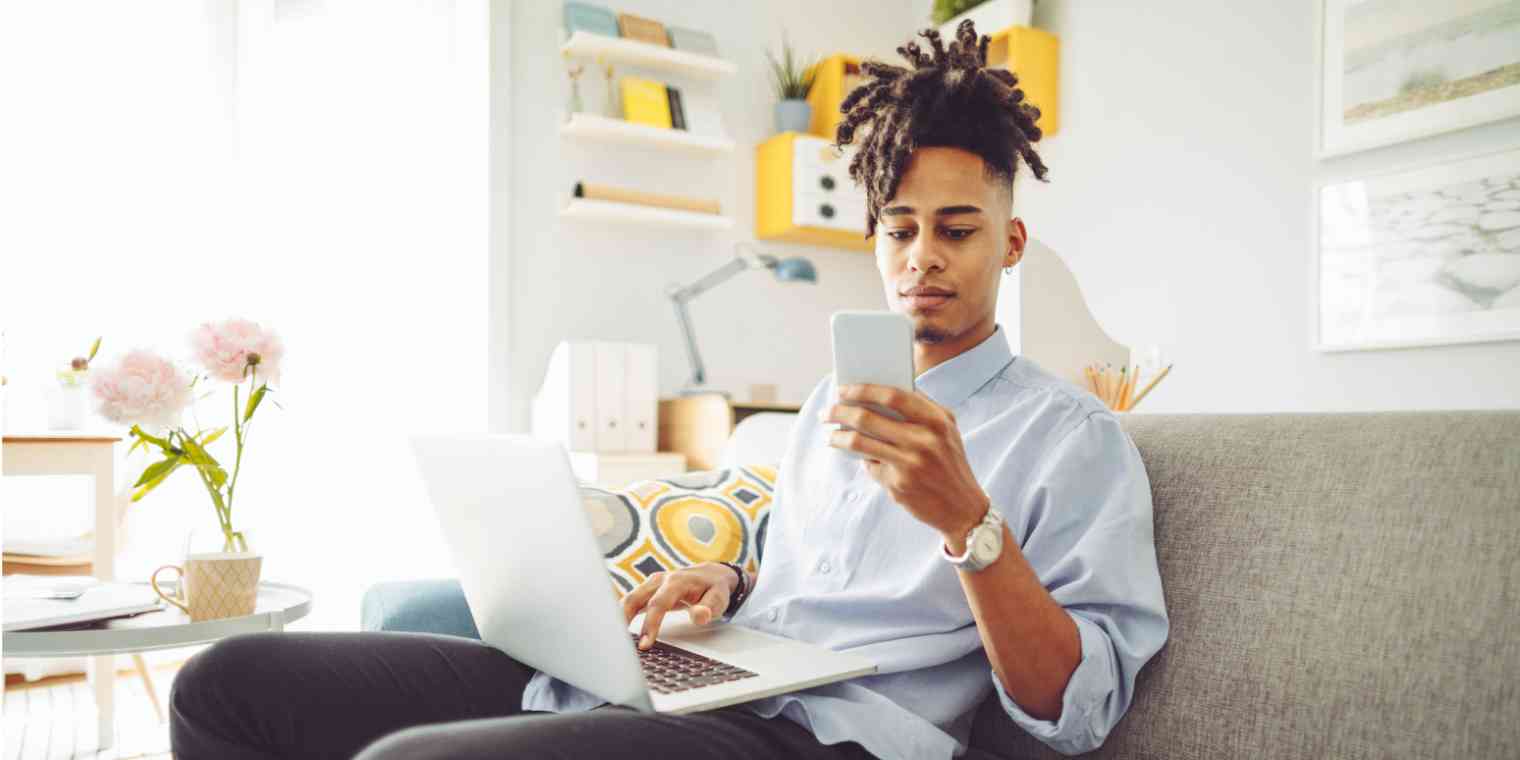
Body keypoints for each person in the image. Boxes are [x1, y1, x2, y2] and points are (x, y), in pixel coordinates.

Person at [169, 20, 1166, 760]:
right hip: (708, 681)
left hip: (827, 740)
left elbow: (1071, 712)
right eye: (898, 227)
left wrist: (968, 525)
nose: (920, 258)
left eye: (956, 229)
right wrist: (725, 584)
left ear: (1011, 241)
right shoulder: (829, 403)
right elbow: (798, 584)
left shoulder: (1072, 439)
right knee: (227, 683)